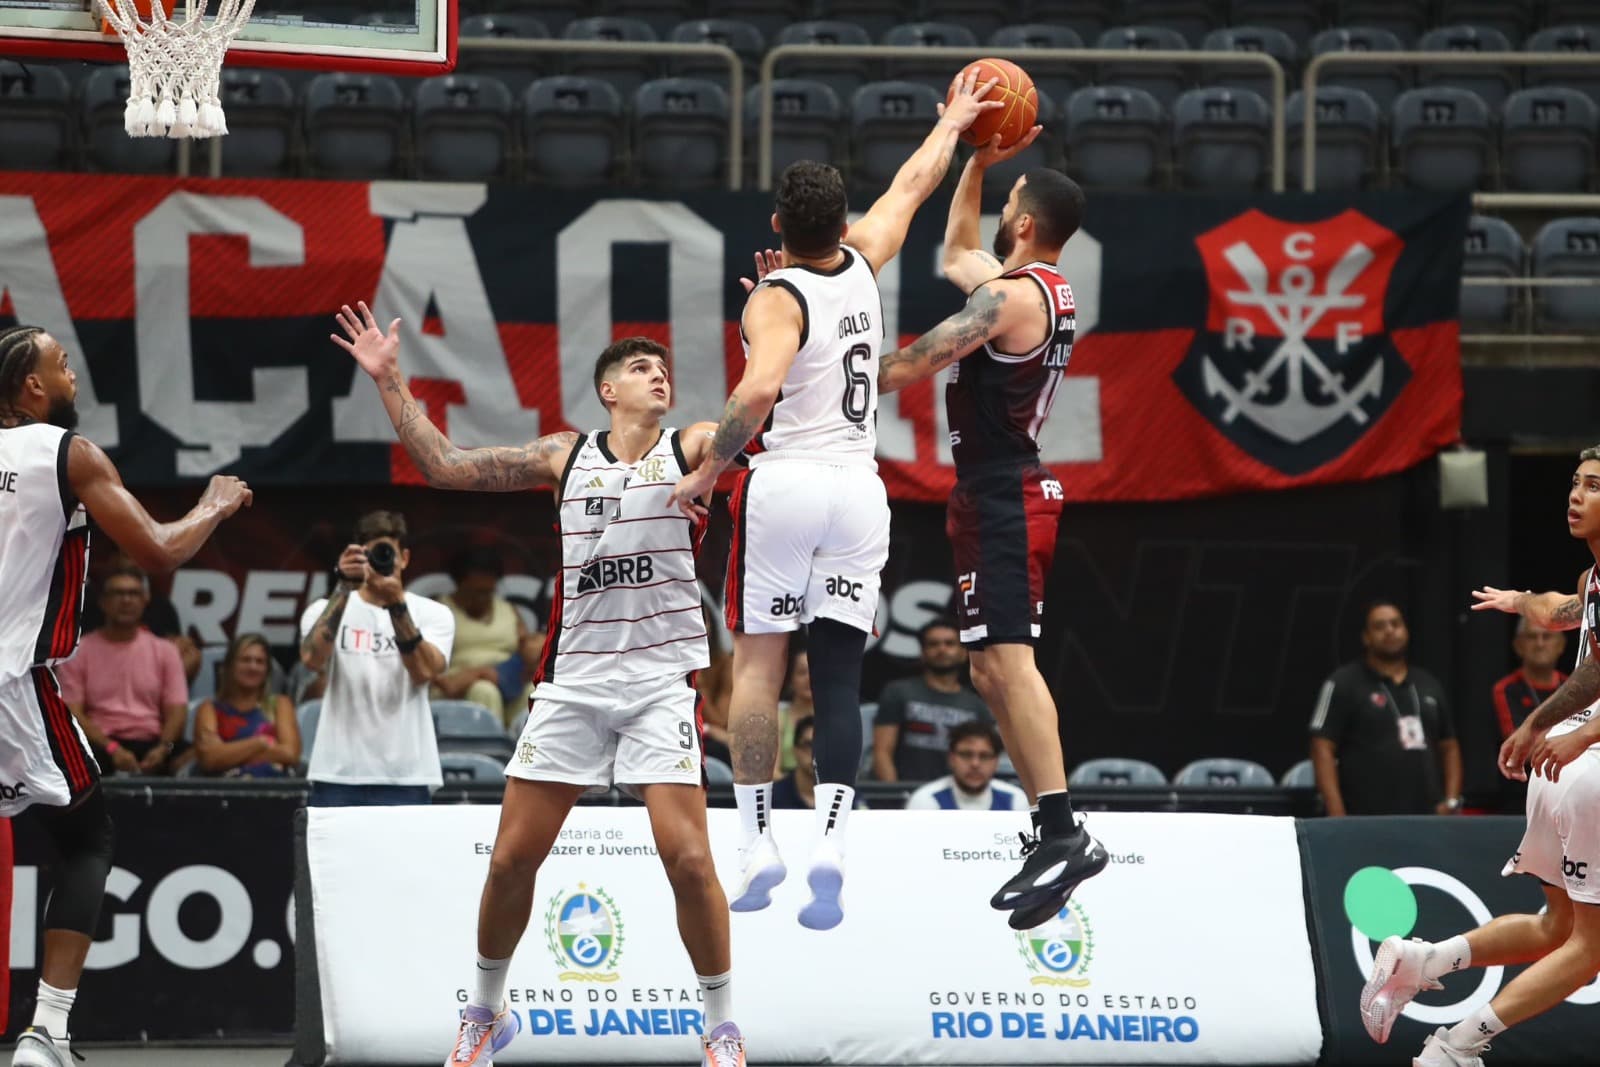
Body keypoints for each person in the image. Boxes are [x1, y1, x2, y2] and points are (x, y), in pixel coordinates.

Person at [333, 305, 747, 1067]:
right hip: (573, 684)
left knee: (689, 860)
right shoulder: (565, 454)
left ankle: (721, 1026)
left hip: (660, 683)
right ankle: (485, 1014)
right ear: (608, 391)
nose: (659, 373)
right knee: (510, 861)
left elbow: (752, 411)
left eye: (664, 366)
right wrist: (391, 380)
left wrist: (772, 322)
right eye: (640, 367)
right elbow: (447, 467)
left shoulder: (691, 447)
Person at [668, 69, 1008, 932]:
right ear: (838, 221)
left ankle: (756, 842)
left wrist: (710, 470)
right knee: (844, 679)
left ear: (779, 228)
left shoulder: (775, 301)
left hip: (786, 483)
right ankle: (832, 842)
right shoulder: (864, 257)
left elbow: (753, 397)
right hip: (861, 488)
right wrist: (957, 123)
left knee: (760, 668)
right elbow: (914, 184)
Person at [0, 324, 250, 1067]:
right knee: (86, 838)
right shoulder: (65, 453)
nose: (73, 374)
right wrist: (215, 503)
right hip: (15, 680)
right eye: (62, 363)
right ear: (33, 388)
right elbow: (159, 550)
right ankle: (46, 1030)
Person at [874, 138, 1106, 930]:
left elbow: (910, 364)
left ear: (1027, 220)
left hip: (1006, 491)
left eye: (1007, 199)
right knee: (985, 671)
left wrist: (825, 362)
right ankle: (1053, 830)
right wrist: (976, 159)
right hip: (991, 491)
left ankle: (1064, 828)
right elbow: (953, 251)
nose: (997, 210)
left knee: (1010, 659)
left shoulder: (1010, 302)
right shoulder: (1029, 284)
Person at [1361, 445, 1600, 1067]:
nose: (1576, 495)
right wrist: (1573, 730)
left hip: (1561, 766)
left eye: (1593, 486)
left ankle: (1425, 960)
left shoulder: (1593, 578)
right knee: (1590, 950)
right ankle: (1459, 1044)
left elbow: (1568, 623)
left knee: (1557, 928)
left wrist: (1543, 722)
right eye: (1575, 483)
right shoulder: (1592, 577)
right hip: (1586, 763)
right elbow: (1568, 623)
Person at [298, 508, 455, 807]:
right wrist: (345, 585)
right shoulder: (323, 610)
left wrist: (395, 603)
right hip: (337, 772)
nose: (380, 561)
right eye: (371, 554)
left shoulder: (434, 613)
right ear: (356, 557)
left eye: (387, 553)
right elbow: (311, 659)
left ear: (404, 558)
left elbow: (424, 672)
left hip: (407, 773)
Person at [1309, 600, 1462, 817]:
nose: (1389, 631)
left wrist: (1452, 801)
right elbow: (1321, 747)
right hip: (1366, 816)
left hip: (1428, 817)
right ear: (1366, 637)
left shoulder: (1429, 683)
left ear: (1406, 631)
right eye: (1379, 626)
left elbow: (1449, 746)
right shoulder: (1342, 683)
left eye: (1395, 624)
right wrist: (1337, 814)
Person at [56, 564, 190, 776]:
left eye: (133, 593)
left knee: (197, 755)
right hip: (100, 744)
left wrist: (163, 749)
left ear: (145, 600)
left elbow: (177, 711)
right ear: (103, 602)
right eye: (118, 593)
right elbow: (72, 712)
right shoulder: (79, 651)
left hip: (153, 743)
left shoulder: (166, 651)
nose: (126, 600)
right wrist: (112, 748)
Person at [873, 618, 990, 783]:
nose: (941, 649)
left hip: (956, 800)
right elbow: (882, 753)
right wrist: (897, 799)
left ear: (964, 653)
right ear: (922, 652)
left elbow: (985, 759)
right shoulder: (898, 693)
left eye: (949, 644)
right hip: (904, 794)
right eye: (933, 644)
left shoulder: (977, 707)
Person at [435, 547, 533, 727]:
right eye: (476, 591)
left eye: (488, 592)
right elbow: (426, 665)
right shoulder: (438, 611)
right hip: (458, 690)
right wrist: (479, 673)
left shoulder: (509, 611)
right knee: (484, 690)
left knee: (533, 691)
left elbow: (528, 652)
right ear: (459, 583)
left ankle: (527, 752)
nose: (483, 598)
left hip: (507, 684)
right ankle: (490, 752)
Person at [193, 633, 300, 778]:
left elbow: (290, 753)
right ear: (230, 665)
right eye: (245, 660)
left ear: (267, 670)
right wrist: (261, 743)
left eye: (260, 662)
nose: (253, 667)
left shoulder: (281, 704)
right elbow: (209, 759)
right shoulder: (209, 708)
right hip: (226, 793)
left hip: (275, 790)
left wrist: (228, 753)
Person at [905, 721, 1027, 812]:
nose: (975, 764)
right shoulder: (925, 801)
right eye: (966, 755)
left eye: (984, 756)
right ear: (951, 758)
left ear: (996, 761)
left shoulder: (1015, 800)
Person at [1493, 619, 1567, 740]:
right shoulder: (1506, 689)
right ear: (1518, 645)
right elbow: (1516, 745)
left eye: (1547, 636)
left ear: (1561, 644)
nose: (1540, 644)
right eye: (1532, 637)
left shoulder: (1573, 685)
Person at [770, 715, 817, 810]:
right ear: (795, 750)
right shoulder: (771, 797)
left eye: (822, 746)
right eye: (808, 745)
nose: (815, 753)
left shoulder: (848, 797)